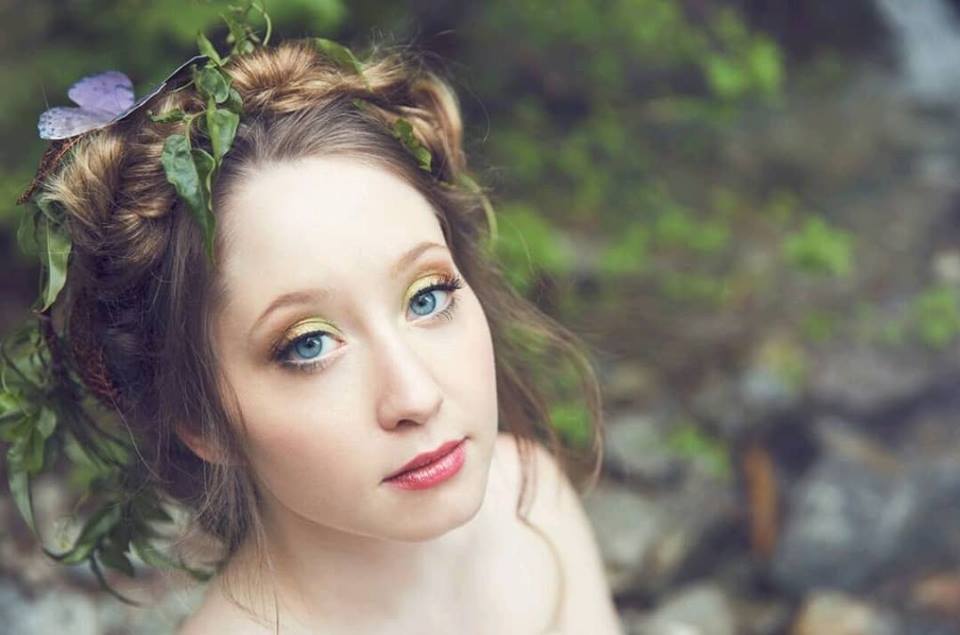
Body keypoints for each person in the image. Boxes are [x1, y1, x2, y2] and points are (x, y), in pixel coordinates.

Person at [30, 36, 622, 634]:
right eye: (308, 345)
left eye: (427, 297)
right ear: (201, 420)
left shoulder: (530, 495)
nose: (416, 397)